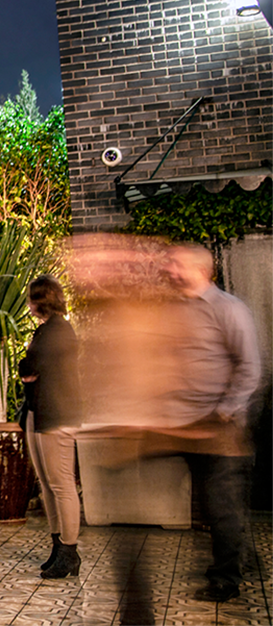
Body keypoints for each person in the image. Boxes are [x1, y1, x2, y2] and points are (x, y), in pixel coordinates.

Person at [164, 243, 261, 603]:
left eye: (177, 264)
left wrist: (224, 411)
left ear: (201, 270)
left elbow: (250, 367)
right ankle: (238, 557)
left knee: (222, 506)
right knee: (213, 505)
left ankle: (225, 580)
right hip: (190, 426)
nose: (170, 270)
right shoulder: (180, 310)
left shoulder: (229, 309)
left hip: (221, 429)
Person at [18, 274, 82, 579]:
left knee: (60, 484)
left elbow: (27, 367)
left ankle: (69, 550)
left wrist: (29, 369)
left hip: (55, 415)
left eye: (31, 298)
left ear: (39, 300)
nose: (28, 304)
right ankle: (58, 546)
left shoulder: (55, 332)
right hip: (42, 413)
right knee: (48, 484)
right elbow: (29, 370)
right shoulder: (51, 331)